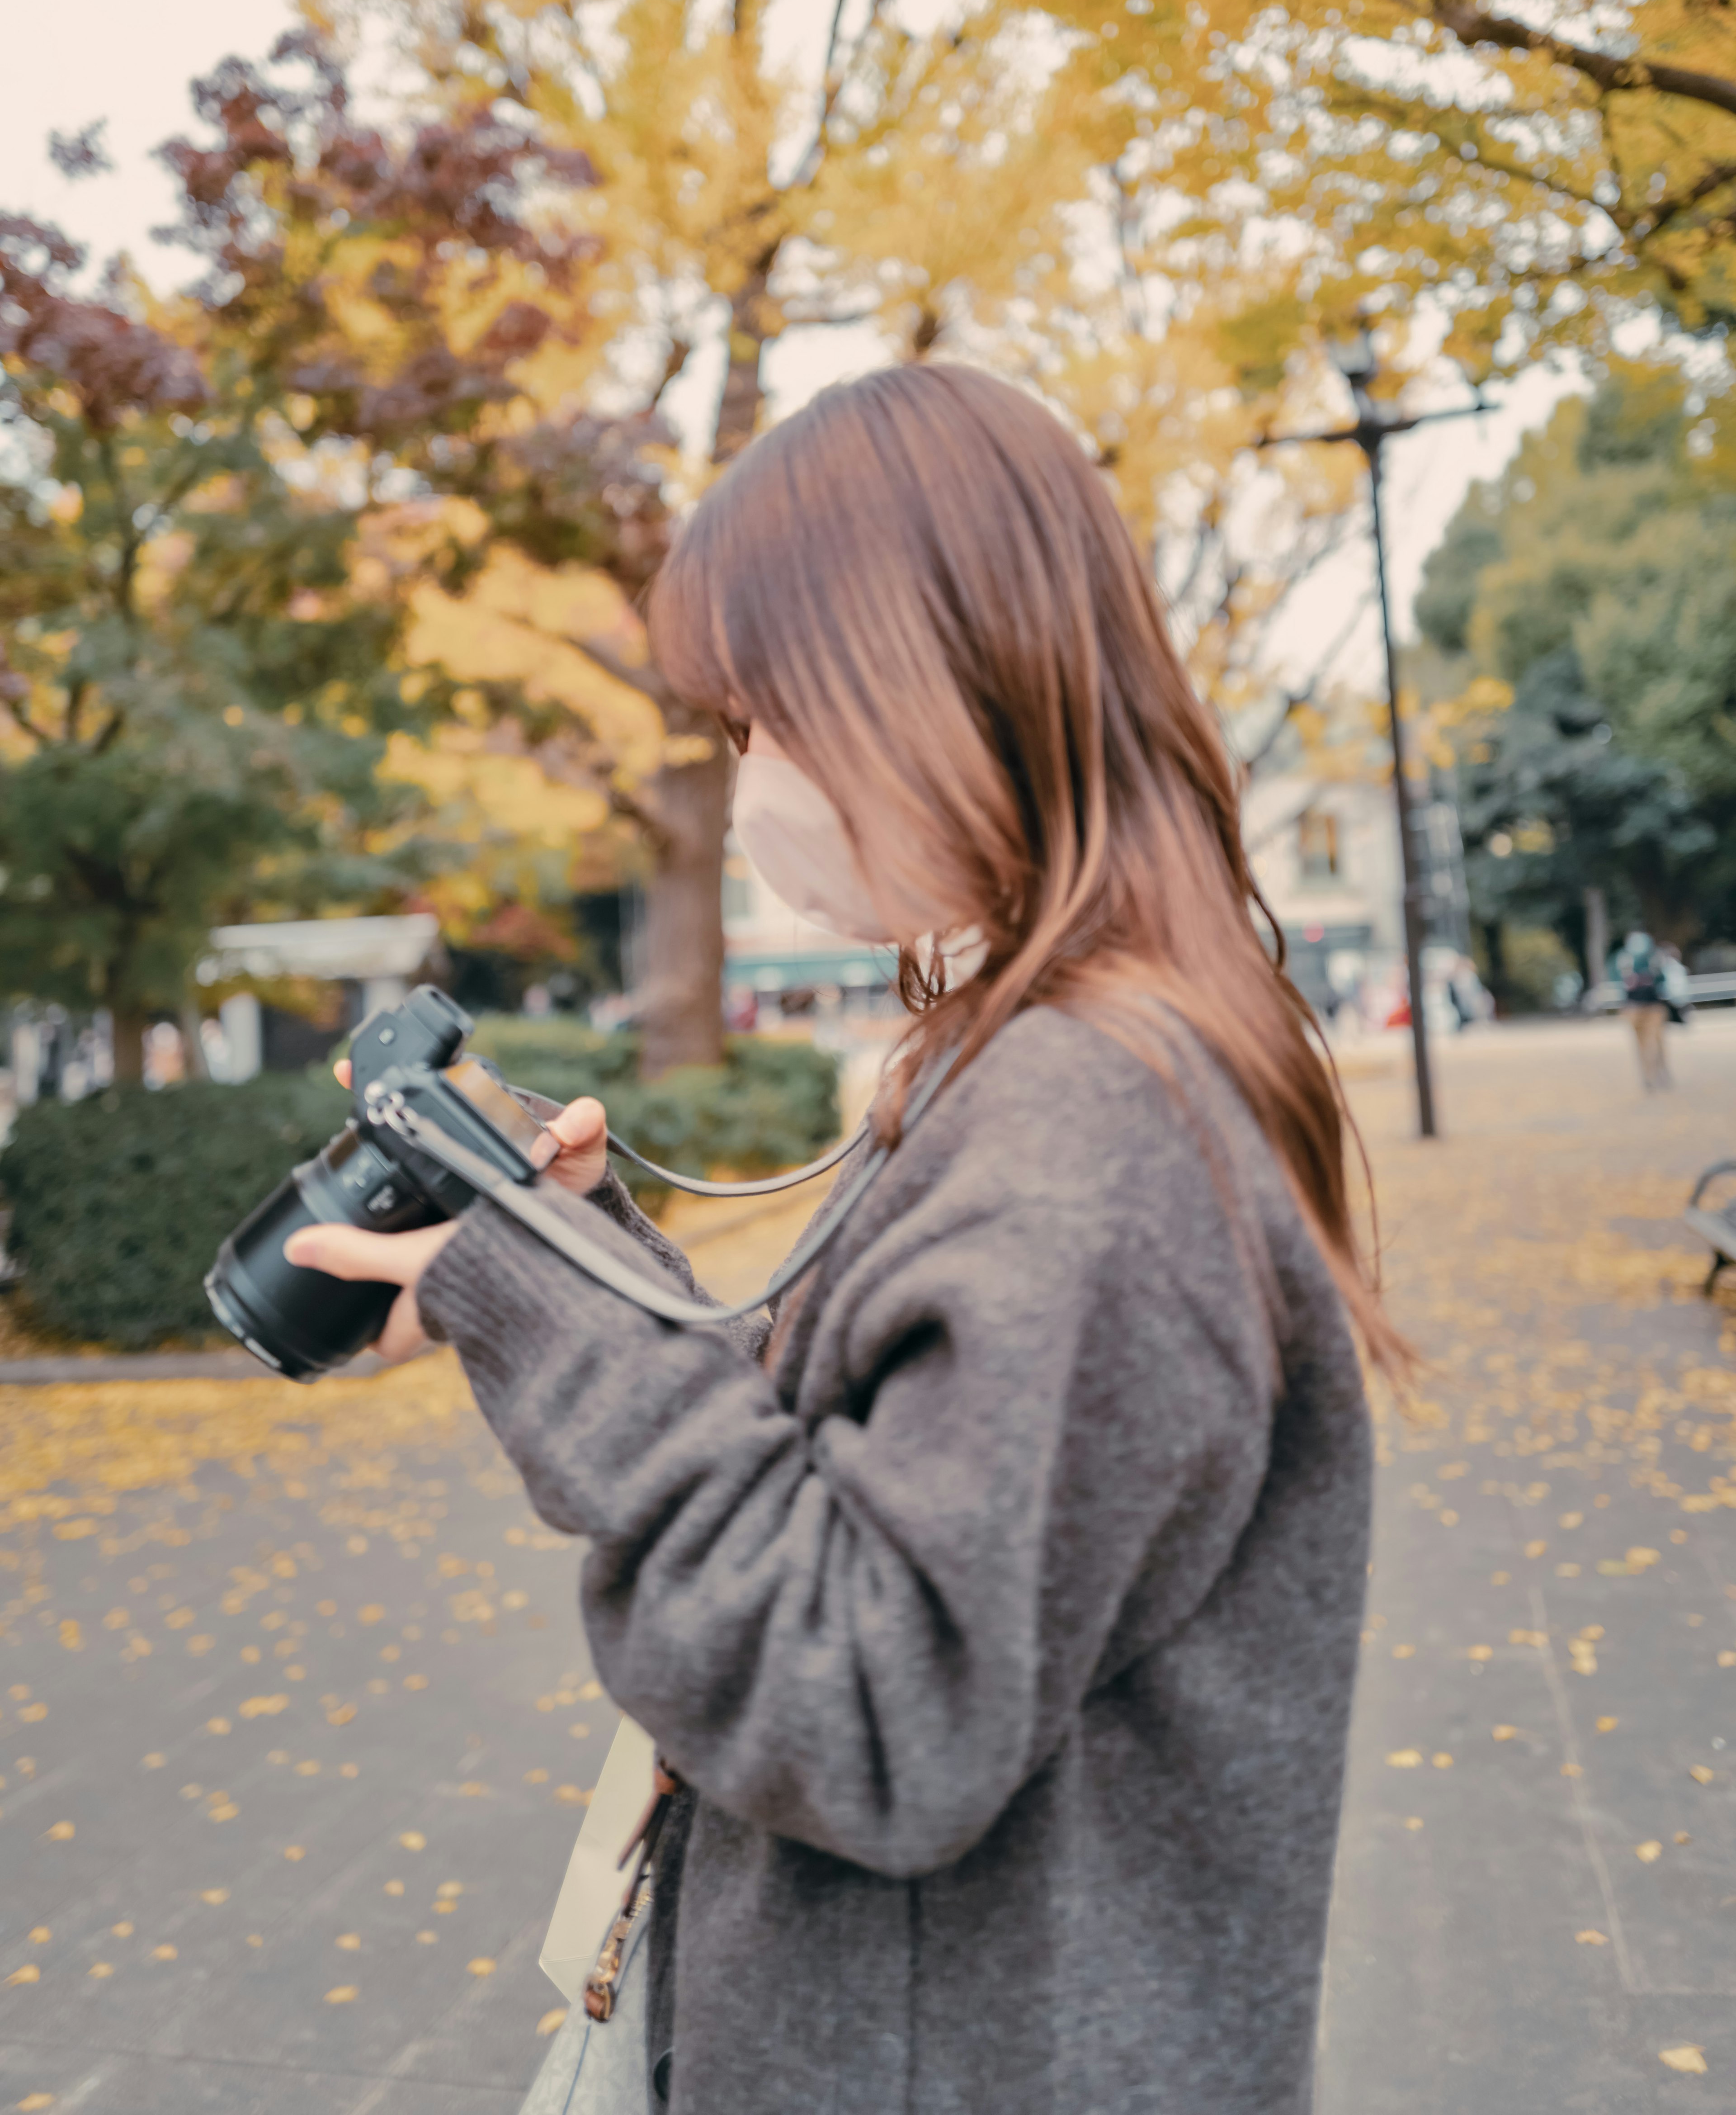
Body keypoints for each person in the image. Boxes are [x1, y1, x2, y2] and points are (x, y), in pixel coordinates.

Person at [287, 362, 1408, 2115]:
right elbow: (864, 1477)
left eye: (756, 722)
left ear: (905, 681)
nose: (746, 785)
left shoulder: (1094, 1127)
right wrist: (576, 1254)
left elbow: (864, 1696)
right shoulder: (1063, 1062)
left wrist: (531, 1299)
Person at [1618, 930, 1672, 1091]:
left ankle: (1659, 1072)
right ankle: (1649, 1076)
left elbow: (1663, 980)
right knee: (1644, 1045)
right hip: (1636, 1008)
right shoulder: (1625, 959)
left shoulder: (1653, 958)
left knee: (1655, 1042)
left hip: (1651, 1007)